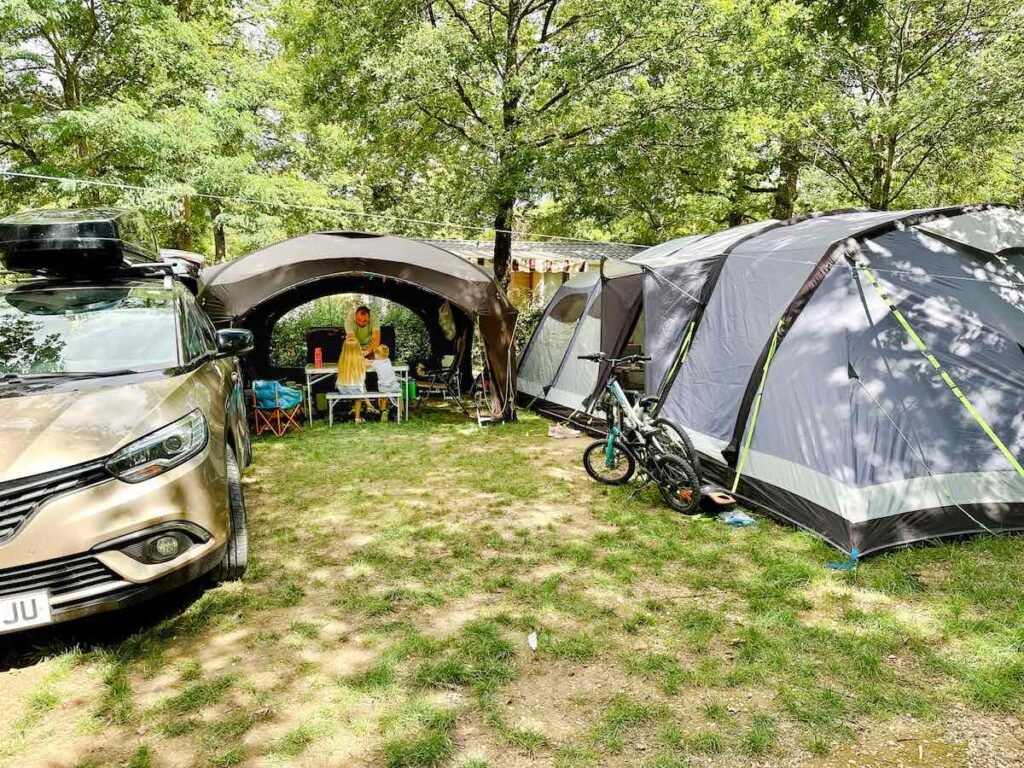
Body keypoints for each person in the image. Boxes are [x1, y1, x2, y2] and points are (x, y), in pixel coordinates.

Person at [369, 344, 401, 422]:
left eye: (375, 354)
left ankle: (383, 409)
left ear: (377, 355)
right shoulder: (388, 360)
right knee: (400, 392)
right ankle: (400, 412)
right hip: (393, 386)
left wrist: (367, 361)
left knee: (384, 395)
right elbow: (379, 361)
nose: (374, 356)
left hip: (383, 387)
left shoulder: (376, 363)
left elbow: (367, 364)